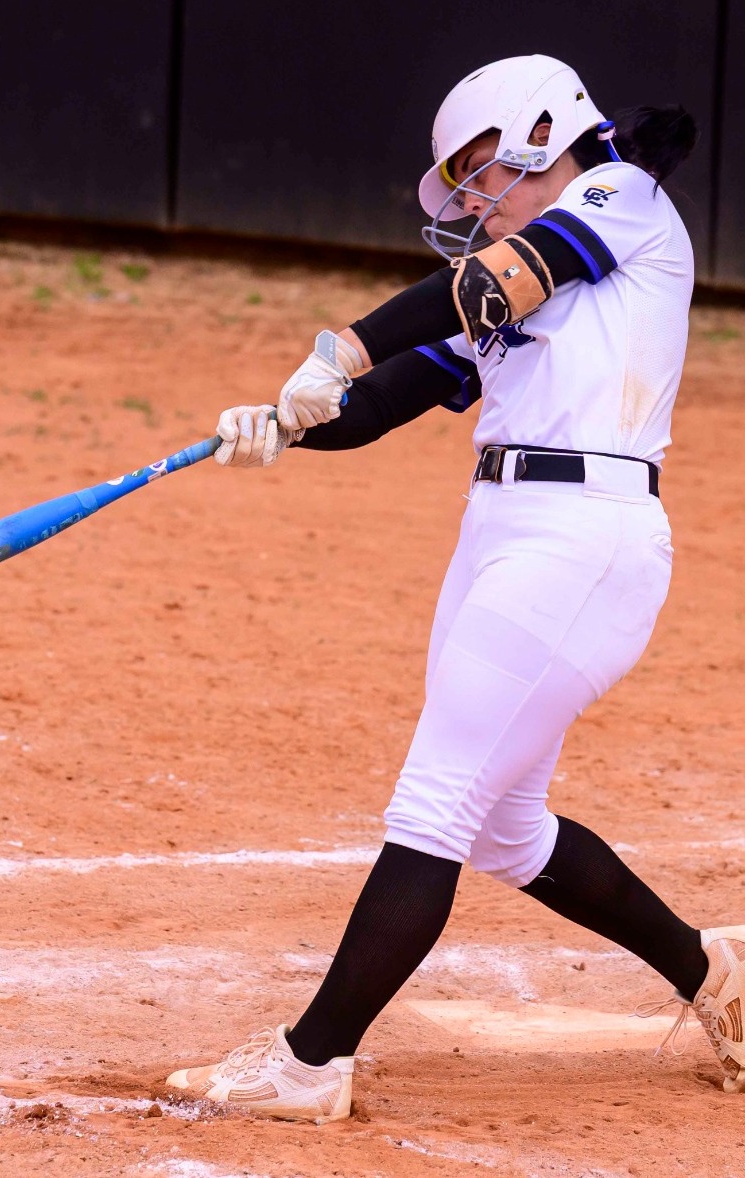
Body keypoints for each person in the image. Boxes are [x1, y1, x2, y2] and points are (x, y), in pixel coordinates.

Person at [165, 56, 740, 1122]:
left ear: (542, 132)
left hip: (581, 538)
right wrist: (283, 421)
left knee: (432, 802)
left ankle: (307, 1064)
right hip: (503, 533)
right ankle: (715, 976)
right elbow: (383, 400)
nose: (471, 199)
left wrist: (336, 345)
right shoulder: (529, 280)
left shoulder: (617, 201)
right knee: (503, 828)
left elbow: (475, 288)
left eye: (482, 171)